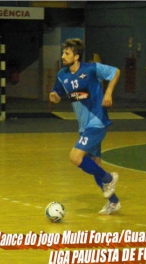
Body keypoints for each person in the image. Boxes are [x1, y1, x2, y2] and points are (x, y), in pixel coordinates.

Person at [49, 38, 121, 214]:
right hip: (84, 126)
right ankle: (114, 202)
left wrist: (108, 93)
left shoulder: (91, 68)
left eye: (67, 53)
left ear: (77, 56)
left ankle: (109, 178)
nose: (63, 56)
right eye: (63, 52)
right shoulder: (62, 75)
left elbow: (116, 72)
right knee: (95, 166)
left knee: (75, 157)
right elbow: (57, 93)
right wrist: (55, 98)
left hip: (97, 122)